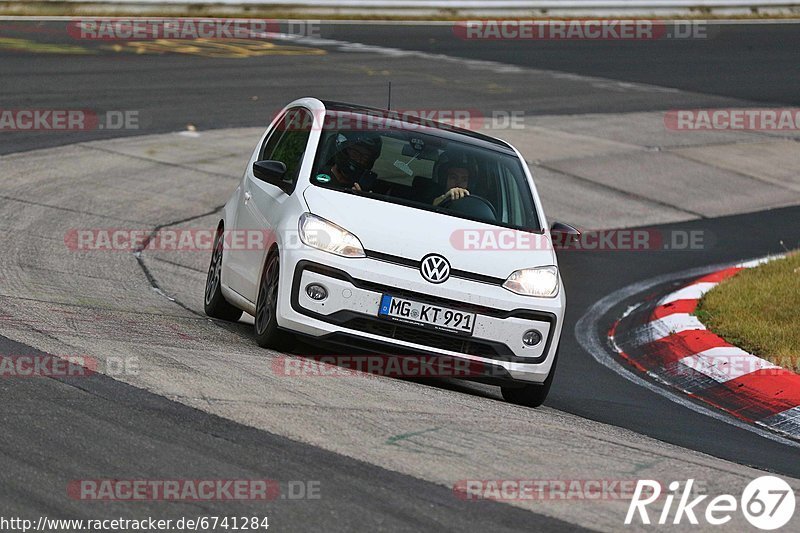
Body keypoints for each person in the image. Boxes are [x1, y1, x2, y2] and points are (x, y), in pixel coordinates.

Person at [315, 131, 382, 192]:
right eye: (355, 153)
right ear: (343, 150)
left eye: (365, 157)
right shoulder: (316, 176)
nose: (359, 159)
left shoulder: (364, 187)